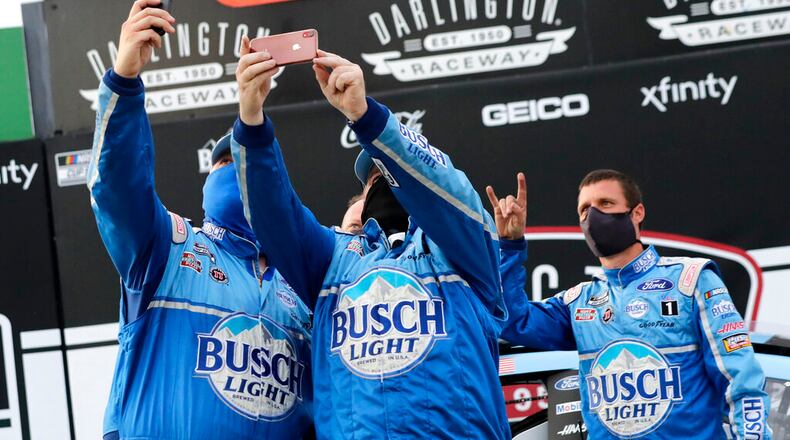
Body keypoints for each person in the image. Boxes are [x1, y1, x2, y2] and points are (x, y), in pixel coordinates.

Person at [228, 39, 509, 439]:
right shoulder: (335, 260)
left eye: (392, 174)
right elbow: (275, 216)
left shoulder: (461, 251)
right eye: (374, 178)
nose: (384, 183)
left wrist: (364, 117)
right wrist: (251, 119)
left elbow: (449, 194)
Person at [86, 2, 312, 438]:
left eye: (247, 162)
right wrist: (124, 80)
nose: (234, 170)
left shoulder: (304, 285)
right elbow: (116, 186)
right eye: (224, 162)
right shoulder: (168, 246)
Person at [488, 169, 772, 439]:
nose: (593, 215)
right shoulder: (578, 302)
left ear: (637, 212)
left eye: (605, 203)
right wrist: (510, 246)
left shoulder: (691, 280)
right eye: (584, 210)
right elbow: (512, 320)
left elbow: (740, 380)